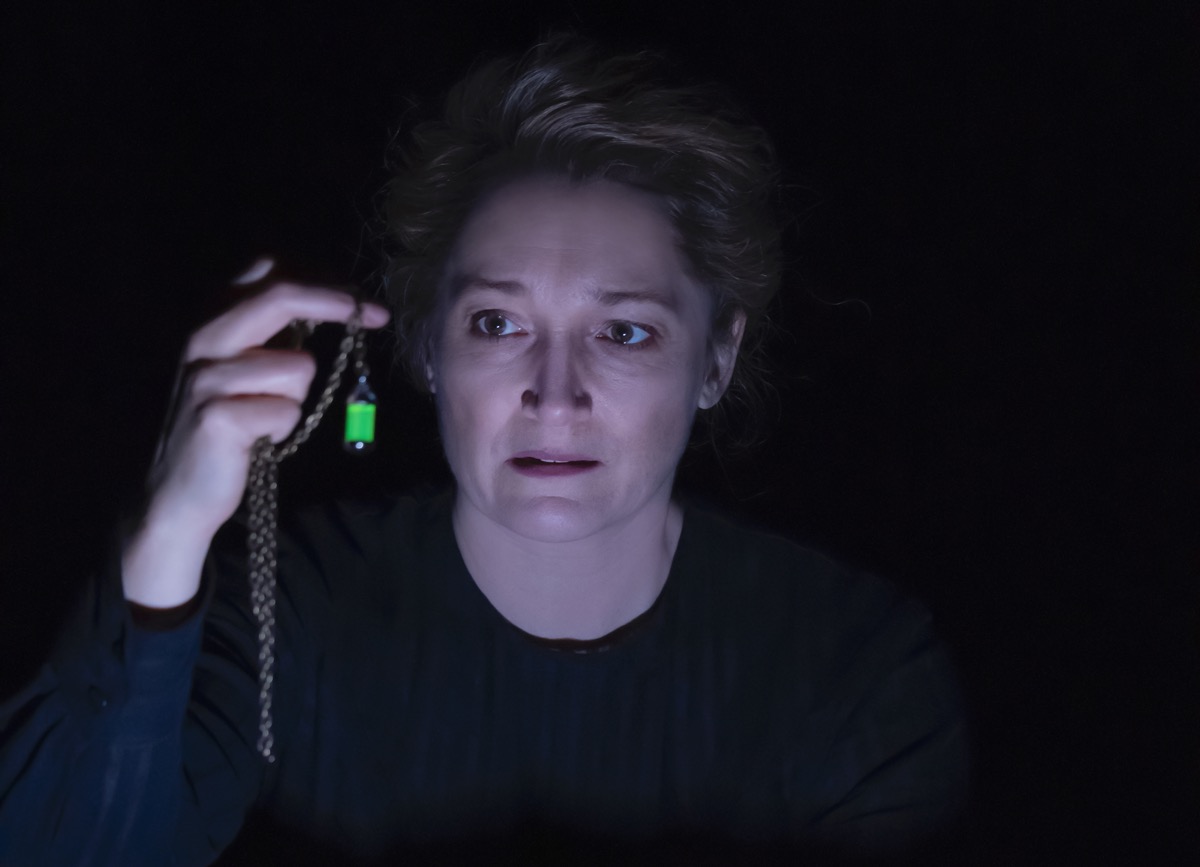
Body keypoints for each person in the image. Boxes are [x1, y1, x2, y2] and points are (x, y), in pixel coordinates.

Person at [0, 34, 968, 865]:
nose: (555, 396)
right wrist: (167, 538)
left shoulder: (857, 668)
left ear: (715, 360)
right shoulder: (286, 609)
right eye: (499, 323)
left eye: (624, 332)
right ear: (425, 345)